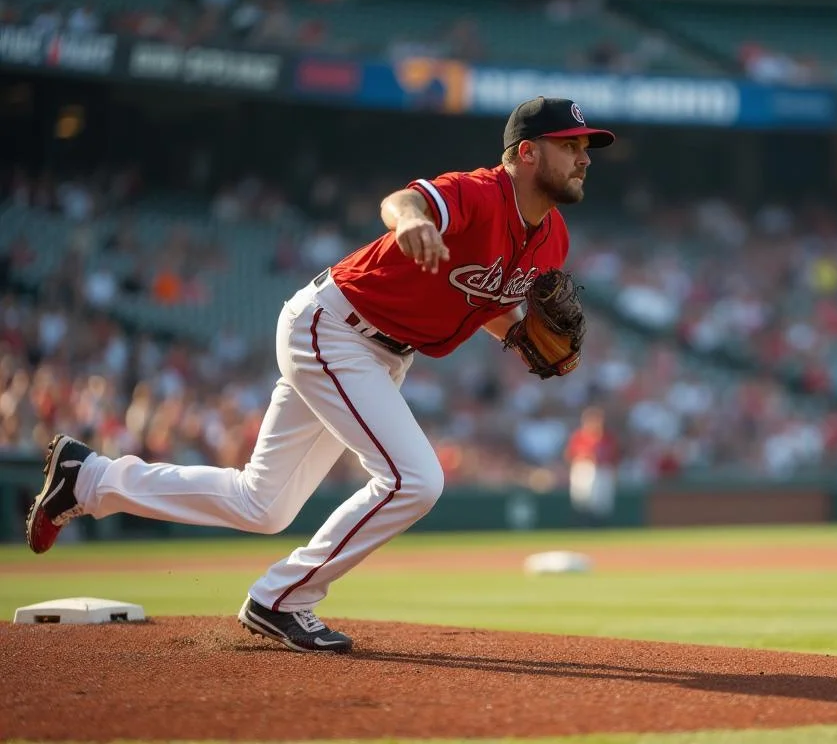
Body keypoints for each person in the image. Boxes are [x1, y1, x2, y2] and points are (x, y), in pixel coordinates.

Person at [24, 96, 616, 653]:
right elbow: (402, 202)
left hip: (382, 353)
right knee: (417, 480)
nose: (585, 156)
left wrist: (516, 334)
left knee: (264, 505)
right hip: (335, 327)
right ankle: (282, 598)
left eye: (587, 147)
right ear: (529, 152)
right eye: (572, 145)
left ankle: (90, 478)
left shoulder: (553, 239)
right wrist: (409, 223)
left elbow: (486, 300)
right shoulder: (477, 194)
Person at [565, 406, 618, 526]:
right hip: (584, 469)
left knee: (601, 504)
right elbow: (570, 454)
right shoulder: (579, 436)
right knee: (581, 501)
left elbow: (614, 456)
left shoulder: (608, 437)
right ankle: (581, 526)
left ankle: (600, 527)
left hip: (603, 470)